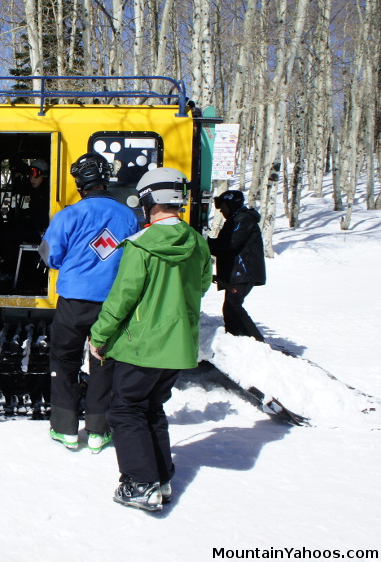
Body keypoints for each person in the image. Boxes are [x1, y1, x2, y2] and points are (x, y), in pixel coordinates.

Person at [88, 167, 212, 512]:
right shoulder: (197, 242)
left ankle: (140, 484)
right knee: (150, 407)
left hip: (141, 345)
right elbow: (201, 285)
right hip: (178, 345)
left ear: (148, 201)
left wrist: (99, 336)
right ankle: (160, 478)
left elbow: (122, 297)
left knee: (126, 410)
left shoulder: (141, 245)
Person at [38, 152, 139, 452]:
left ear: (80, 183)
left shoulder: (68, 215)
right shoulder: (128, 216)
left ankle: (65, 429)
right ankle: (98, 430)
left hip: (72, 301)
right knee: (103, 363)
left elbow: (50, 256)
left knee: (65, 361)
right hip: (111, 303)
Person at [207, 190, 266, 342]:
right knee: (229, 307)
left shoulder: (243, 220)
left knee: (233, 305)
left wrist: (206, 243)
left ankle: (256, 340)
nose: (221, 211)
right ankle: (235, 339)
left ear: (231, 205)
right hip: (237, 272)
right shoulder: (236, 219)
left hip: (243, 272)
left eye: (223, 207)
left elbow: (230, 244)